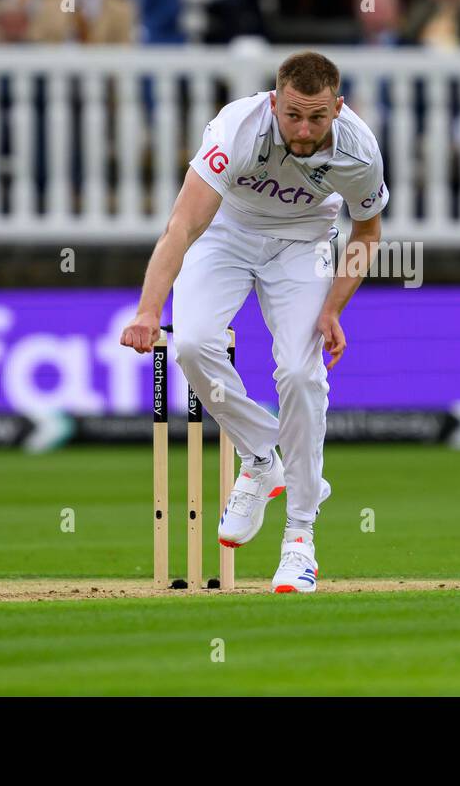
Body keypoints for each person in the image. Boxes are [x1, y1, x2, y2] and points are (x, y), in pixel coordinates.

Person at [119, 52, 388, 593]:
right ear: (274, 102)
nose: (305, 129)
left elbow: (367, 236)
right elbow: (182, 226)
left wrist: (334, 306)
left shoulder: (359, 151)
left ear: (339, 107)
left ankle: (300, 539)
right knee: (192, 344)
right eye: (293, 115)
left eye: (317, 117)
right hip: (227, 232)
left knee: (300, 372)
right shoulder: (237, 128)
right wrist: (149, 308)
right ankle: (262, 458)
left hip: (305, 242)